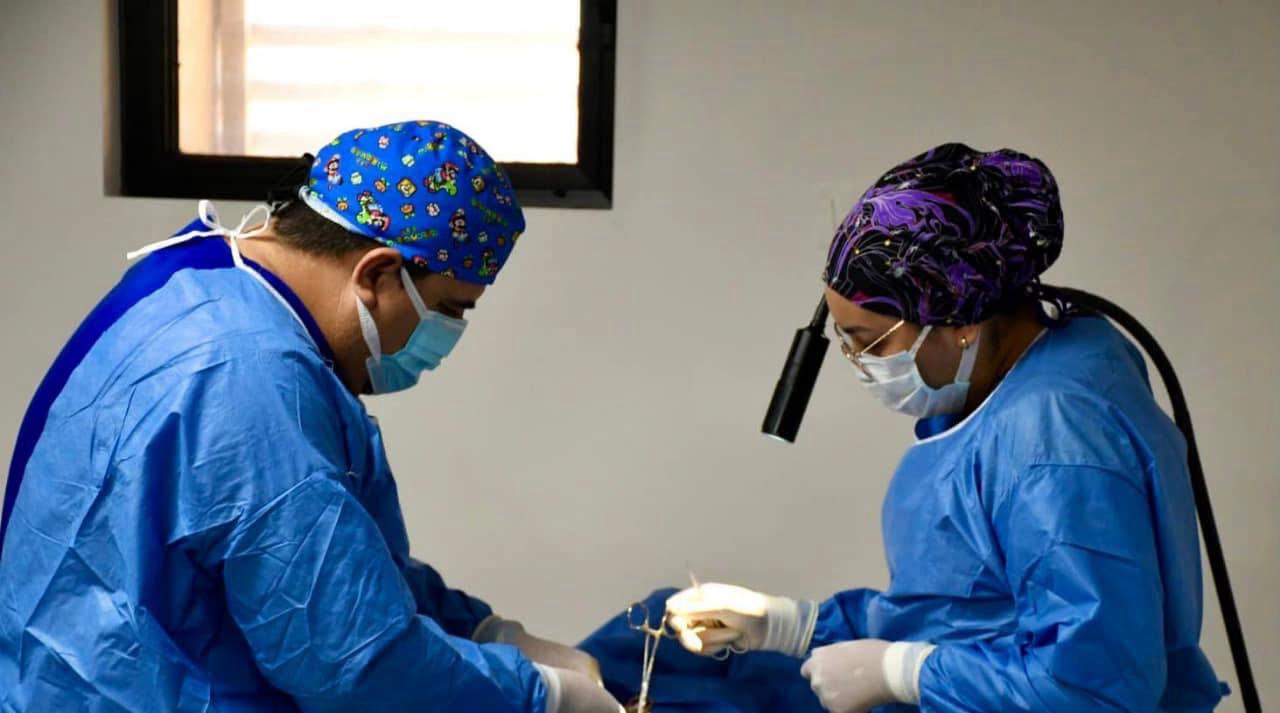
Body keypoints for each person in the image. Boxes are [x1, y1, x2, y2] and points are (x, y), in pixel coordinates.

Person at [0, 120, 623, 713]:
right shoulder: (248, 376)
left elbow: (340, 561)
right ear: (379, 273)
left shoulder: (208, 278)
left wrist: (482, 630)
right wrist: (541, 697)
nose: (448, 334)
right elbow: (354, 663)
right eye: (451, 309)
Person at [663, 144, 1225, 712]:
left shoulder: (1054, 440)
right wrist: (793, 625)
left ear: (960, 322)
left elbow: (1093, 690)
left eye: (869, 341)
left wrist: (902, 672)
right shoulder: (1015, 377)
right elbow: (962, 610)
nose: (859, 362)